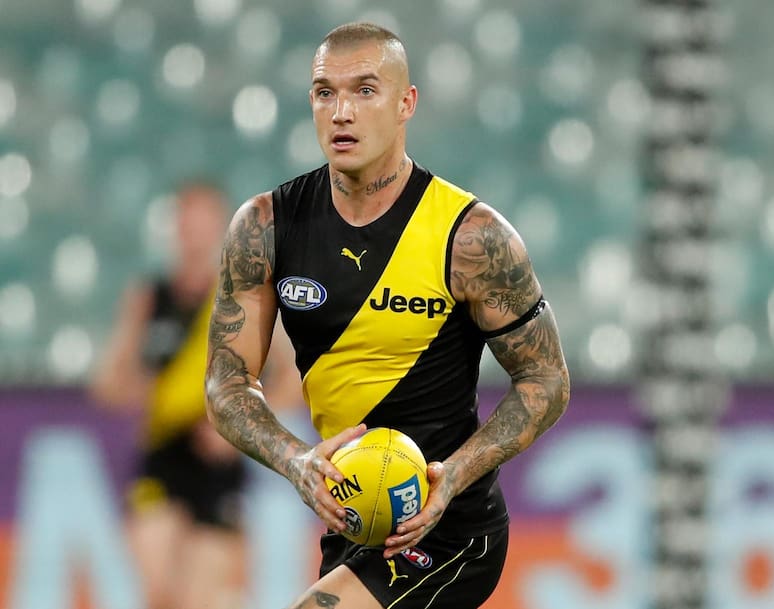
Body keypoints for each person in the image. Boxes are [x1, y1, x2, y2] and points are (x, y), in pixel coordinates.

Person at [204, 22, 570, 609]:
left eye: (365, 90)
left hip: (450, 528)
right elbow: (227, 384)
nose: (341, 112)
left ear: (406, 104)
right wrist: (295, 459)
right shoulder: (265, 228)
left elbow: (547, 380)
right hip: (355, 524)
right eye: (326, 92)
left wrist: (453, 474)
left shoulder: (470, 238)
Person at [91, 181, 249, 609]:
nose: (193, 234)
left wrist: (236, 426)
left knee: (202, 600)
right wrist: (142, 393)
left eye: (203, 223)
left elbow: (287, 380)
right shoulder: (149, 297)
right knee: (156, 591)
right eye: (186, 222)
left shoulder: (243, 299)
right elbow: (107, 383)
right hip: (162, 458)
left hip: (218, 468)